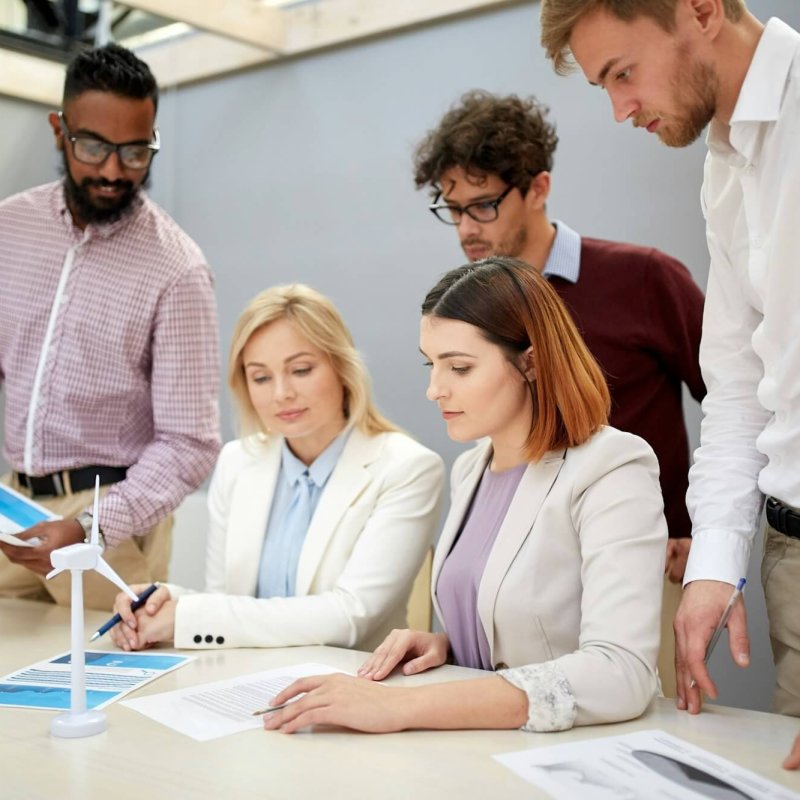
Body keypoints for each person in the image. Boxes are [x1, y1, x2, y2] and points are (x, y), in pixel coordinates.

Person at [539, 0, 800, 767]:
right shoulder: (726, 167)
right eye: (603, 89)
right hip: (789, 550)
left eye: (624, 74)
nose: (622, 110)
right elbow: (739, 384)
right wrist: (716, 562)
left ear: (701, 9)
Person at [260, 257, 667, 734]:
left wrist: (402, 707)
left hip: (580, 752)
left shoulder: (612, 467)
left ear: (531, 362)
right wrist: (448, 645)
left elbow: (620, 672)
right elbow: (513, 626)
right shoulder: (473, 467)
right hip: (474, 745)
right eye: (431, 365)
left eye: (459, 367)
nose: (435, 389)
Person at [413, 90, 705, 695]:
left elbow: (736, 404)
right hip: (522, 574)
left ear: (538, 188)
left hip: (638, 558)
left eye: (485, 205)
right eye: (453, 208)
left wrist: (701, 526)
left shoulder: (644, 278)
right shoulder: (467, 322)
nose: (467, 227)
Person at [0, 43, 220, 610]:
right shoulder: (9, 230)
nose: (113, 170)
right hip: (15, 509)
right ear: (59, 130)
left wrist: (92, 525)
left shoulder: (178, 268)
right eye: (93, 146)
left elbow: (190, 443)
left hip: (112, 527)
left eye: (135, 152)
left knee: (104, 690)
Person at [109, 284, 444, 651]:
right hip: (245, 680)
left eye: (300, 370)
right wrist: (166, 602)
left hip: (351, 685)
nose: (281, 393)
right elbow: (225, 600)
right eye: (261, 377)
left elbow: (350, 617)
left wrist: (190, 615)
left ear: (342, 368)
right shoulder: (236, 462)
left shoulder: (408, 469)